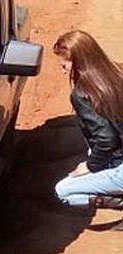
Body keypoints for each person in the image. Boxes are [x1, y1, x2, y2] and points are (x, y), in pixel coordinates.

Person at [53, 30, 123, 230]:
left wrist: (90, 166)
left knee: (64, 191)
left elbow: (106, 138)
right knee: (93, 151)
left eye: (64, 65)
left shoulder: (82, 93)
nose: (63, 71)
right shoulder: (118, 73)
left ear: (78, 62)